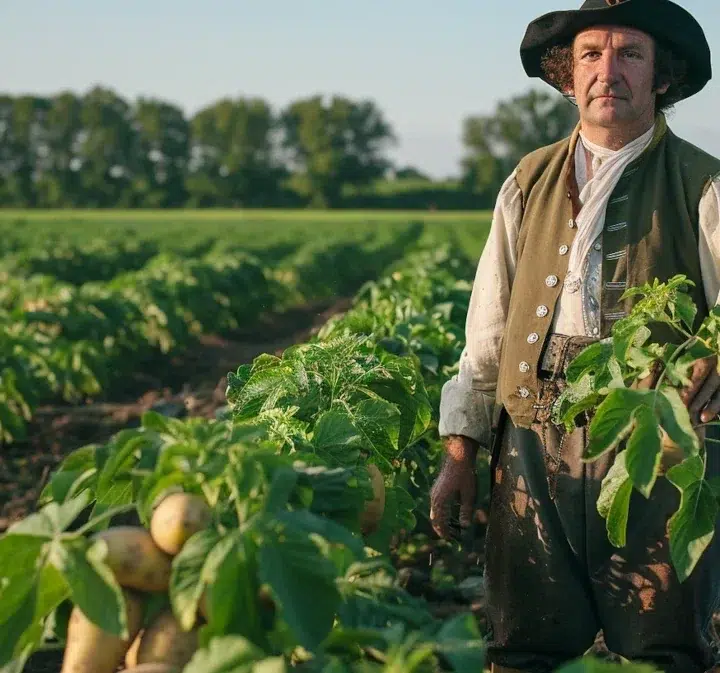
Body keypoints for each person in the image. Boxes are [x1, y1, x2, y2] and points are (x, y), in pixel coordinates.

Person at [430, 0, 720, 672]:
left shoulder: (702, 184)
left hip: (656, 436)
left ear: (662, 75)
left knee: (662, 641)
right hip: (532, 432)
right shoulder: (526, 182)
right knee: (527, 638)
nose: (607, 72)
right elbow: (487, 333)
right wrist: (461, 449)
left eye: (630, 54)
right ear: (567, 73)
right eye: (592, 53)